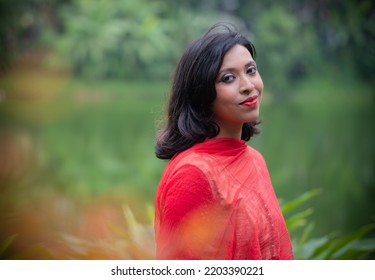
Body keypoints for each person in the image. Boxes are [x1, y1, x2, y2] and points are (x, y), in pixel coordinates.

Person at [154, 23, 294, 260]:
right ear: (201, 94)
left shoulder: (254, 160)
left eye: (251, 70)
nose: (248, 86)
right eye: (228, 78)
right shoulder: (193, 175)